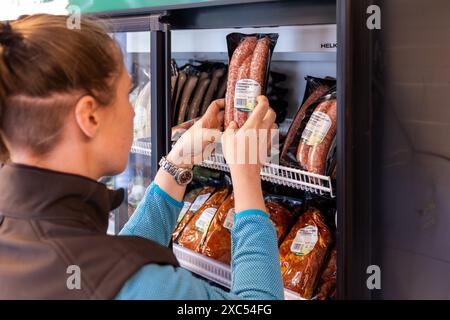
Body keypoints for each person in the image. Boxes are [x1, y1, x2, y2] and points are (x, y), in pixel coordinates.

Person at [0, 14, 283, 299]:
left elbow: (114, 261)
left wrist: (177, 164)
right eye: (126, 94)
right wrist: (246, 176)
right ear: (89, 115)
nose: (133, 111)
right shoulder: (133, 284)